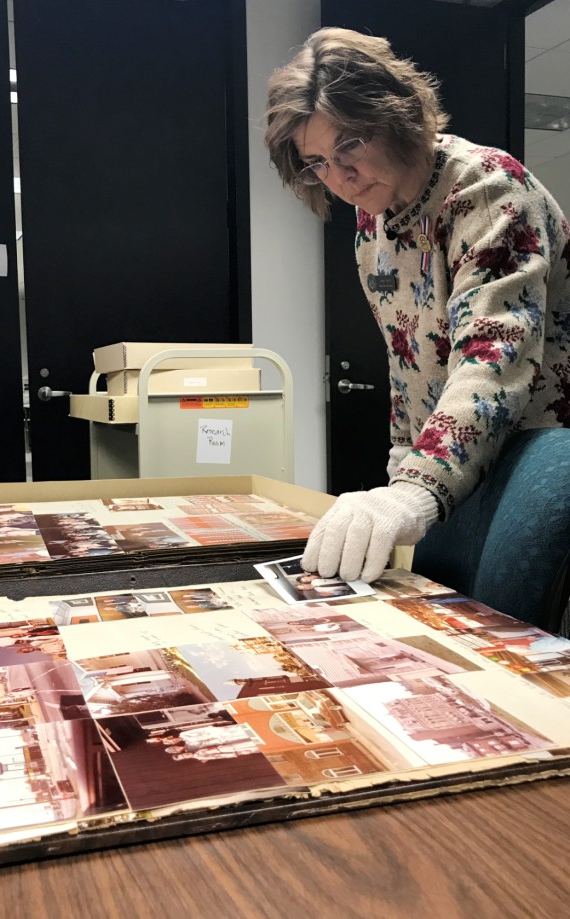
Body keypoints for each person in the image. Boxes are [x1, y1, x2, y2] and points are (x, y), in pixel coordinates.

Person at [266, 27, 570, 583]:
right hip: (461, 458)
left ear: (396, 115)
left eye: (350, 144)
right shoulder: (371, 227)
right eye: (317, 163)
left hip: (539, 455)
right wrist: (401, 460)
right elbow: (405, 357)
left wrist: (414, 490)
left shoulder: (488, 189)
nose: (340, 177)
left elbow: (493, 357)